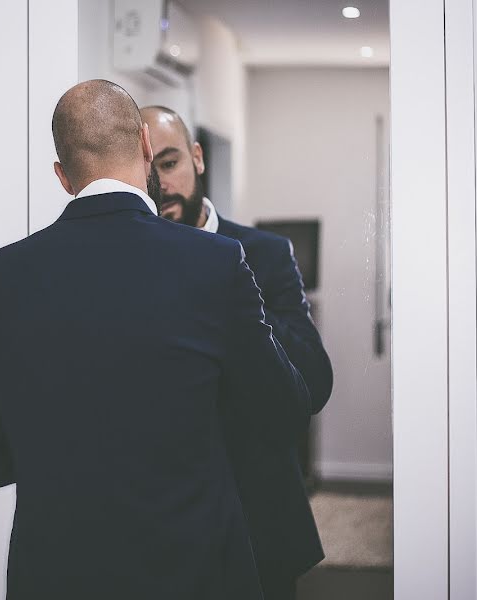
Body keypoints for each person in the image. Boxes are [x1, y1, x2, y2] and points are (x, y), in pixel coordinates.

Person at [0, 80, 311, 600]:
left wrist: (61, 446)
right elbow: (282, 412)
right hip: (195, 570)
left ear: (63, 176)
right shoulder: (216, 262)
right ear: (143, 145)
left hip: (55, 575)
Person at [140, 105, 334, 600]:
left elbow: (313, 378)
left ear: (198, 158)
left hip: (258, 516)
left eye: (169, 163)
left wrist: (228, 293)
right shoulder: (131, 264)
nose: (161, 184)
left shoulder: (264, 253)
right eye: (146, 172)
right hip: (160, 527)